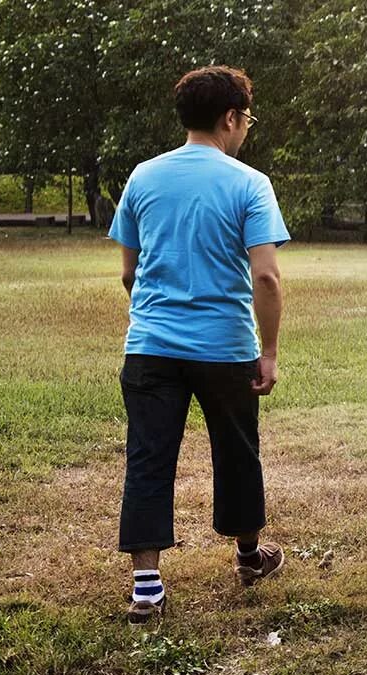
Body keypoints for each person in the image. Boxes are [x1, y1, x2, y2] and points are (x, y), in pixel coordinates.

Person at [108, 66, 288, 626]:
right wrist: (270, 351)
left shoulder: (143, 177)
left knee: (149, 456)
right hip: (224, 347)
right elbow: (266, 279)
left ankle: (146, 585)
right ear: (230, 118)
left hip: (151, 345)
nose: (246, 130)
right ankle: (248, 556)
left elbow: (129, 273)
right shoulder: (248, 183)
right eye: (247, 119)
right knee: (237, 453)